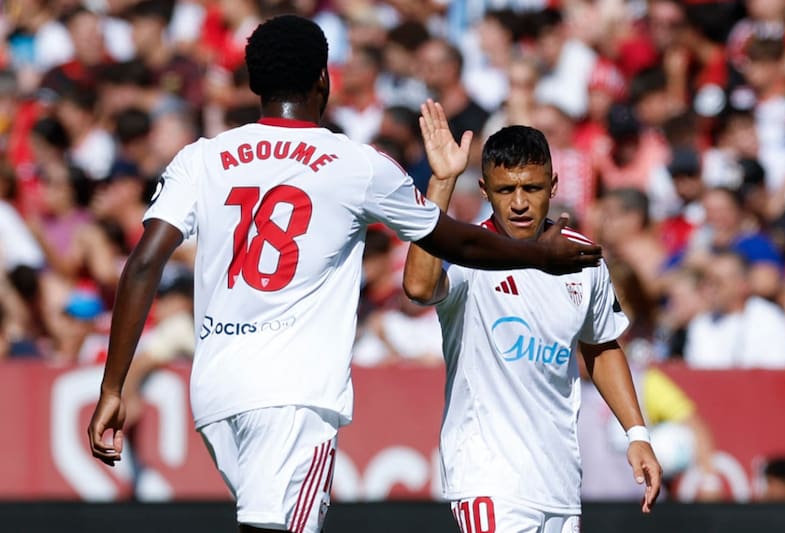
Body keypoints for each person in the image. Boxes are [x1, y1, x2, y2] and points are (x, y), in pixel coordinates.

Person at [86, 15, 602, 533]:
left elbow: (144, 264)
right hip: (293, 394)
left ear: (252, 83)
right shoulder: (354, 164)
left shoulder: (202, 157)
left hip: (216, 392)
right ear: (324, 80)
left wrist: (114, 386)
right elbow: (455, 239)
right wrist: (537, 255)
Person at [403, 100, 662, 532]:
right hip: (489, 480)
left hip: (559, 483)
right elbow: (418, 287)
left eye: (532, 188)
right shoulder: (469, 255)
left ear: (554, 186)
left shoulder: (582, 258)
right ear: (485, 191)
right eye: (506, 191)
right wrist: (443, 181)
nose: (519, 203)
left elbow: (601, 345)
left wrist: (637, 434)